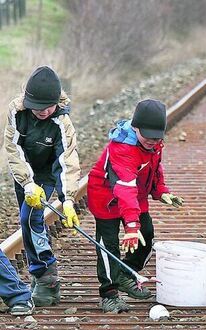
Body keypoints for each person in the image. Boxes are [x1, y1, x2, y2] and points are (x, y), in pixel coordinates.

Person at [87, 99, 184, 313]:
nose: (152, 141)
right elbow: (124, 188)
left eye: (156, 136)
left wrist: (161, 191)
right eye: (147, 135)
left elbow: (153, 168)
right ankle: (109, 294)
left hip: (135, 194)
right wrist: (131, 226)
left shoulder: (154, 143)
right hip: (107, 198)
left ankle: (125, 273)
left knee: (146, 235)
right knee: (109, 245)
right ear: (135, 127)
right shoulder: (122, 147)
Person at [4, 65, 82, 307]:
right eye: (37, 107)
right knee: (27, 220)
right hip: (24, 173)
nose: (42, 112)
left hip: (48, 175)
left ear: (56, 103)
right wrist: (27, 183)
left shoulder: (62, 121)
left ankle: (47, 277)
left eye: (47, 107)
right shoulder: (17, 113)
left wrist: (67, 198)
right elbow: (13, 149)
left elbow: (66, 160)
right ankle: (40, 276)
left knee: (31, 219)